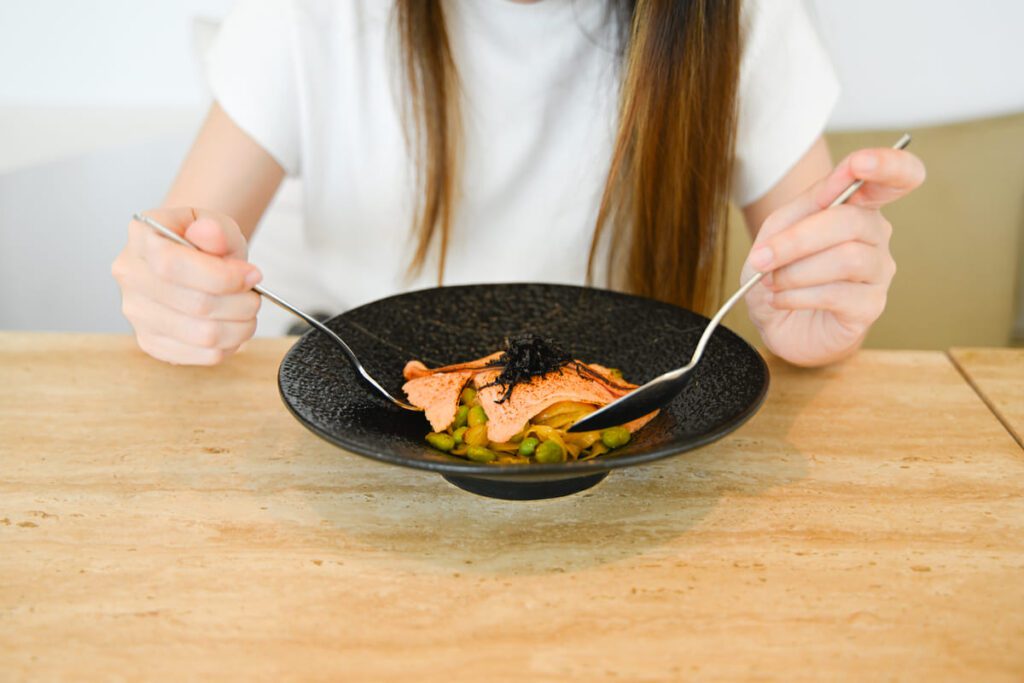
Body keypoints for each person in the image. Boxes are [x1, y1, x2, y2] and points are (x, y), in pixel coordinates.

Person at [111, 0, 925, 368]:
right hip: (353, 414)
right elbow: (181, 243)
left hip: (622, 436)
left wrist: (822, 320)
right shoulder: (308, 15)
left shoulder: (743, 19)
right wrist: (175, 290)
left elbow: (812, 288)